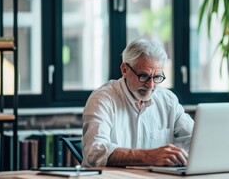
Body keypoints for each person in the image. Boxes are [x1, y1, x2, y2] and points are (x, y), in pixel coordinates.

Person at [82, 38, 194, 167]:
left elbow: (195, 138)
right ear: (124, 70)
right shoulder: (102, 99)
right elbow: (95, 152)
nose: (151, 85)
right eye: (143, 76)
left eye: (157, 77)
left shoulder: (168, 100)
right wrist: (148, 156)